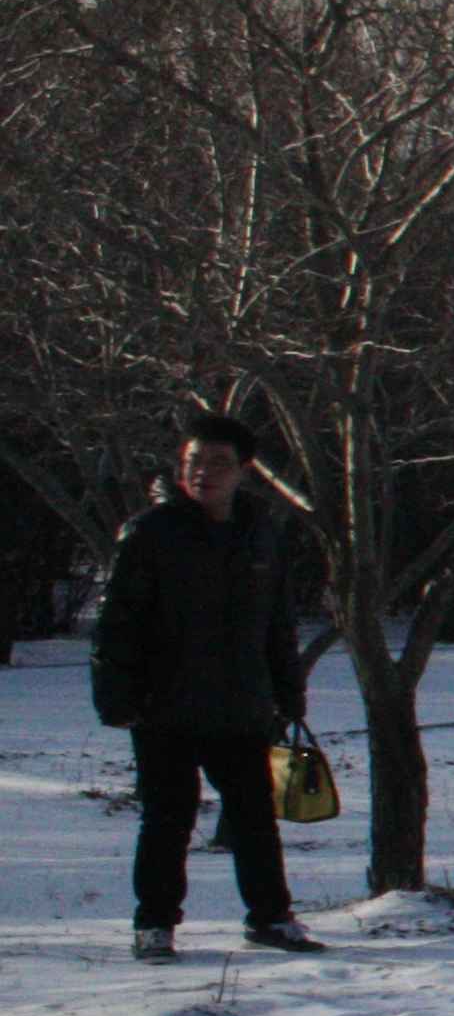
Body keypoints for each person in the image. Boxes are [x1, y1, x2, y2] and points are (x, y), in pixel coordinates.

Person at [93, 409, 319, 961]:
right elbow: (116, 622)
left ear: (244, 470)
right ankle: (154, 925)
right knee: (167, 818)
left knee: (254, 817)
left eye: (219, 462)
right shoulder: (151, 532)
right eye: (195, 460)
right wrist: (116, 695)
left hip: (242, 704)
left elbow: (278, 624)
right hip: (164, 705)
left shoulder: (260, 533)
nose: (203, 472)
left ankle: (271, 917)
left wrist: (288, 692)